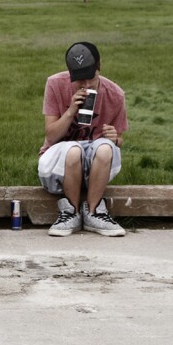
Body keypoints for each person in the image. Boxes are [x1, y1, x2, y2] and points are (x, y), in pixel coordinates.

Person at [38, 42, 127, 237]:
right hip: (58, 166)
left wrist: (115, 138)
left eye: (91, 79)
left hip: (94, 167)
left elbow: (119, 140)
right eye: (79, 81)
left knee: (105, 147)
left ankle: (94, 212)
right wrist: (70, 112)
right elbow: (51, 137)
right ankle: (70, 211)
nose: (86, 86)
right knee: (73, 149)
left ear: (99, 67)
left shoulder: (115, 94)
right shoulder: (55, 84)